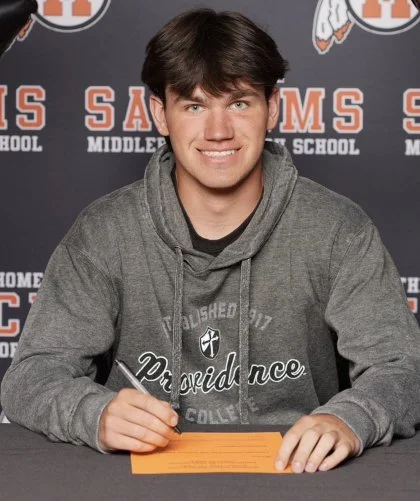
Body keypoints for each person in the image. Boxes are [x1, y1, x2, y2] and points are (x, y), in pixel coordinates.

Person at [2, 8, 420, 474]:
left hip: (298, 476)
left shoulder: (339, 229)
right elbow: (30, 377)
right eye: (195, 106)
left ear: (272, 108)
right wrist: (93, 414)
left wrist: (351, 419)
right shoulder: (105, 232)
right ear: (160, 113)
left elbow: (401, 368)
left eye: (239, 103)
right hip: (141, 479)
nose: (218, 131)